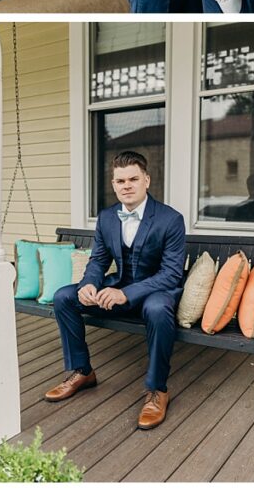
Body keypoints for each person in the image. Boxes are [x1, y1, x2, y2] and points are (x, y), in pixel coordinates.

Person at [45, 151, 185, 430]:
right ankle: (82, 371)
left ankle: (157, 390)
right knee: (64, 296)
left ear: (147, 180)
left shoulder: (171, 219)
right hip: (117, 285)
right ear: (113, 184)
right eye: (120, 181)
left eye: (133, 178)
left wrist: (128, 293)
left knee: (157, 309)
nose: (127, 185)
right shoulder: (107, 217)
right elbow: (98, 260)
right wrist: (89, 284)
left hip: (155, 289)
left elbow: (170, 274)